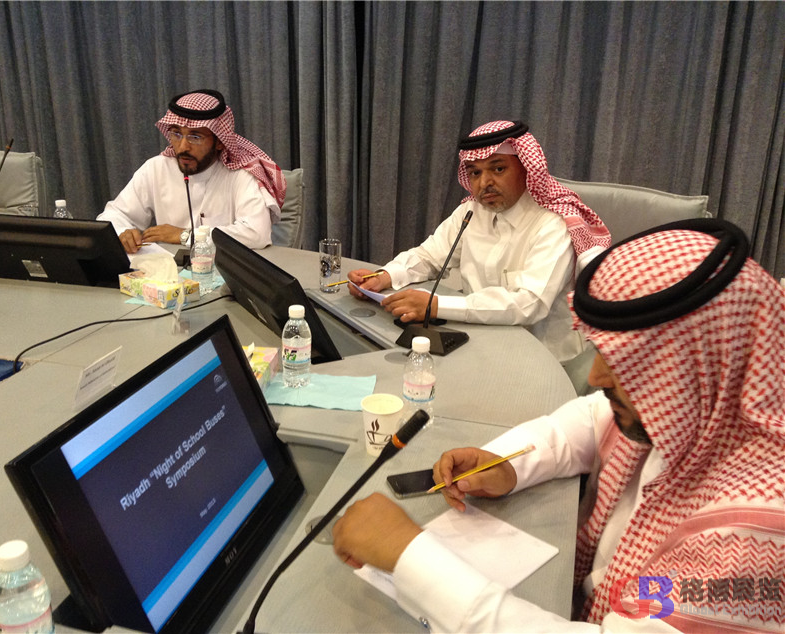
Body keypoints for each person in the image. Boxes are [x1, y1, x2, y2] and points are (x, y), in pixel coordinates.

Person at [333, 219, 785, 632]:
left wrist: (410, 556)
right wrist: (508, 464)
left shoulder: (758, 531)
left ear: (701, 368)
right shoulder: (694, 408)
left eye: (623, 364)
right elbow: (587, 420)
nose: (596, 378)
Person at [347, 120, 611, 362]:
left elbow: (528, 304)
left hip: (544, 357)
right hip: (478, 341)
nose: (484, 183)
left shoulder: (553, 224)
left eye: (498, 168)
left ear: (526, 168)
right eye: (474, 173)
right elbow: (428, 256)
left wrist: (435, 305)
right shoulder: (471, 212)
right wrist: (384, 276)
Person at [98, 89, 285, 253]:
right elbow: (113, 215)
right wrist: (122, 232)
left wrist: (186, 236)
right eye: (176, 134)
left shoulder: (239, 175)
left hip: (222, 273)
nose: (183, 147)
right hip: (169, 274)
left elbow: (257, 233)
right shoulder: (156, 168)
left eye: (195, 137)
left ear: (220, 142)